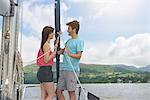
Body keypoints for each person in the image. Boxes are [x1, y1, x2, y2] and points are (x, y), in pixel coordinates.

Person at [56, 20, 84, 100]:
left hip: (72, 70)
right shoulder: (68, 41)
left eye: (69, 28)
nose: (67, 30)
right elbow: (62, 52)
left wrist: (69, 54)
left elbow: (79, 55)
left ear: (74, 29)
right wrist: (55, 51)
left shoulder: (79, 41)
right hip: (64, 69)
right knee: (58, 91)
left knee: (71, 92)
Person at [36, 26, 58, 100]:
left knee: (44, 96)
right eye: (52, 33)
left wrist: (54, 49)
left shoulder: (44, 44)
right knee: (51, 95)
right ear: (49, 34)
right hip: (46, 72)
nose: (53, 34)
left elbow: (48, 58)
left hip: (42, 72)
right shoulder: (46, 45)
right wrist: (55, 52)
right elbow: (46, 60)